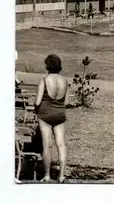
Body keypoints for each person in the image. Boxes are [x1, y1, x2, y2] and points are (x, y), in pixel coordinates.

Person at [34, 54, 69, 183]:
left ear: (47, 65)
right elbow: (66, 102)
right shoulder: (65, 81)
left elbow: (38, 102)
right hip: (59, 114)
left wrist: (36, 109)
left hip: (45, 115)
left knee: (47, 145)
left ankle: (47, 175)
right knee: (61, 144)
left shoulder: (44, 79)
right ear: (60, 66)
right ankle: (61, 176)